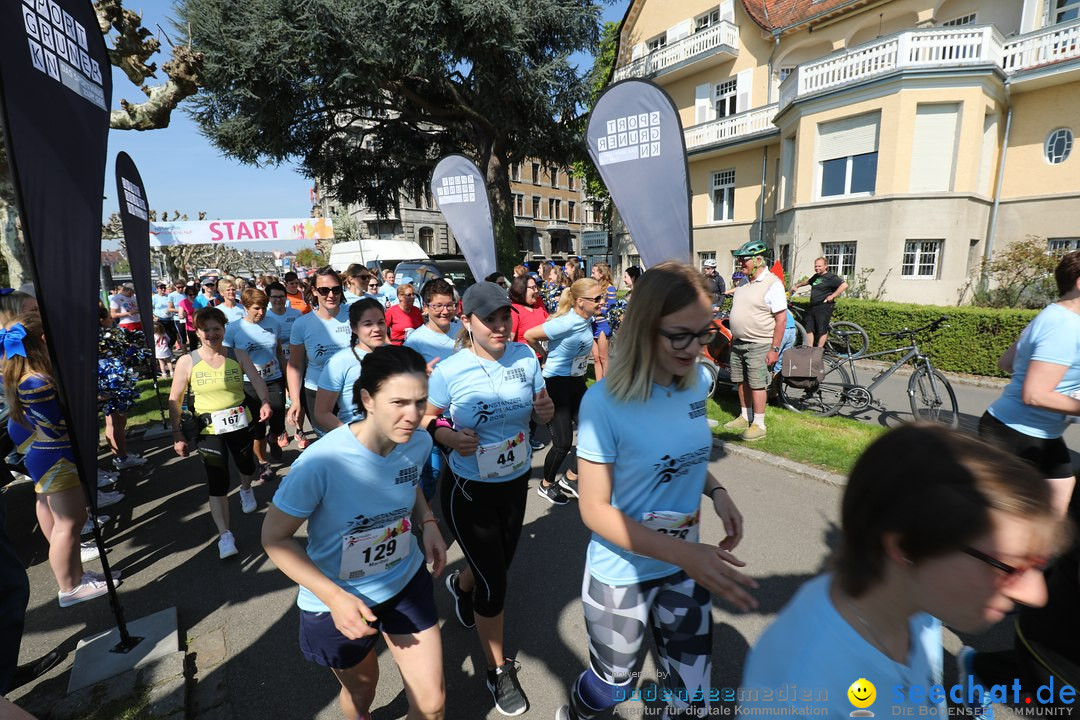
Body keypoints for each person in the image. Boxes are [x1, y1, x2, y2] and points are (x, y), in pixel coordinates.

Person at [741, 424, 1065, 718]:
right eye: (1009, 566)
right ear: (906, 547)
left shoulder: (915, 606)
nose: (1036, 595)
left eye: (1037, 565)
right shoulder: (801, 692)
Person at [555, 262, 755, 720]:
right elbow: (594, 509)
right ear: (645, 327)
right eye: (678, 335)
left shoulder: (695, 383)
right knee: (613, 687)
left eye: (703, 333)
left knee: (691, 697)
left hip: (683, 569)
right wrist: (685, 554)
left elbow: (682, 455)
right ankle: (576, 712)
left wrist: (717, 489)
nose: (695, 348)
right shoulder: (603, 404)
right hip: (621, 573)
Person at [262, 345, 447, 720]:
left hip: (403, 581)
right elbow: (274, 538)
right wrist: (334, 597)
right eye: (399, 402)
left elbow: (405, 477)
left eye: (420, 402)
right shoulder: (321, 462)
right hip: (338, 600)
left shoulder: (419, 441)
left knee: (432, 705)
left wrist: (427, 522)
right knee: (363, 691)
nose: (413, 416)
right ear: (367, 399)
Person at [423, 282, 554, 716]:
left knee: (491, 568)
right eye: (489, 319)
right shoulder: (450, 369)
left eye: (504, 317)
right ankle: (498, 670)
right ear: (467, 322)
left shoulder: (525, 357)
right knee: (496, 582)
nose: (500, 326)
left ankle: (460, 587)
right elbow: (425, 419)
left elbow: (540, 403)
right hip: (468, 491)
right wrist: (446, 435)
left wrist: (545, 412)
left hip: (514, 486)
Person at [1, 315, 112, 606]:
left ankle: (75, 576)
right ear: (43, 341)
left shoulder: (29, 377)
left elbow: (20, 429)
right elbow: (53, 425)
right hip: (55, 456)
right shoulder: (35, 381)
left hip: (49, 456)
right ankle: (70, 588)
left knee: (70, 522)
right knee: (70, 522)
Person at [979, 250, 1079, 519]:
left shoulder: (1051, 315)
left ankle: (1038, 558)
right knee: (1002, 517)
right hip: (1015, 433)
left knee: (1061, 489)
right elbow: (1034, 394)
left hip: (1033, 430)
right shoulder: (1065, 326)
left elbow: (1007, 362)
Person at [168, 307, 272, 559]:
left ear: (224, 329)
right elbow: (175, 398)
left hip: (239, 423)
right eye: (206, 329)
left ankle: (246, 488)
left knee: (246, 467)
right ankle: (225, 535)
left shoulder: (237, 355)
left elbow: (257, 380)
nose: (212, 334)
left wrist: (265, 401)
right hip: (208, 429)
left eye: (217, 328)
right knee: (218, 480)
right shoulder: (187, 361)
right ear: (197, 331)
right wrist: (177, 433)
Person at [523, 278, 601, 505]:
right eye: (596, 299)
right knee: (563, 443)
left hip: (576, 383)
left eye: (601, 297)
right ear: (580, 302)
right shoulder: (566, 323)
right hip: (556, 384)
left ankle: (571, 478)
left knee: (596, 430)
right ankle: (546, 485)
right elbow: (529, 335)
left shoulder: (588, 318)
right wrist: (544, 356)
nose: (601, 302)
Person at [723, 240, 786, 442]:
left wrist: (775, 349)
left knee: (757, 383)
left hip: (760, 343)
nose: (741, 264)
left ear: (758, 260)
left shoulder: (773, 284)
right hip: (739, 341)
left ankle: (759, 424)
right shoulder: (743, 281)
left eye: (744, 260)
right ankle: (745, 415)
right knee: (741, 380)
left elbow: (781, 319)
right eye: (740, 260)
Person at [404, 279, 461, 499]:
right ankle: (425, 519)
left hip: (462, 414)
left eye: (449, 305)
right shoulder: (415, 341)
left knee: (463, 468)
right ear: (426, 308)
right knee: (432, 473)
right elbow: (404, 383)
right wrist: (419, 376)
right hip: (431, 417)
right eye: (437, 306)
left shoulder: (463, 332)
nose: (444, 311)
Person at [224, 288, 288, 482]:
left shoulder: (273, 323)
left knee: (278, 422)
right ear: (245, 307)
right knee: (257, 427)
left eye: (264, 308)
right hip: (248, 383)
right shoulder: (234, 329)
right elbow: (228, 359)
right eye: (256, 308)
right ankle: (262, 462)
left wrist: (288, 378)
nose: (261, 312)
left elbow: (278, 352)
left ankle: (273, 437)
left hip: (273, 378)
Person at [287, 267, 352, 438]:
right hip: (316, 394)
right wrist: (295, 401)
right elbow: (295, 364)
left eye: (335, 289)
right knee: (330, 445)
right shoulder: (302, 324)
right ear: (314, 291)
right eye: (324, 290)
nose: (331, 295)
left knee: (355, 444)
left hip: (352, 392)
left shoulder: (354, 315)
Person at [314, 298, 388, 432]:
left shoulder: (397, 356)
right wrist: (351, 436)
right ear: (354, 328)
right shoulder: (339, 362)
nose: (376, 329)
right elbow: (322, 413)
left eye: (381, 322)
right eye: (368, 324)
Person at [265, 281, 304, 447]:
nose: (278, 300)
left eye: (281, 297)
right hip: (276, 364)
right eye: (274, 297)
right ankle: (281, 430)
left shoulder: (296, 314)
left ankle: (299, 429)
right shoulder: (266, 317)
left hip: (297, 361)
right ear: (269, 298)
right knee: (279, 402)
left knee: (299, 396)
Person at [790, 257, 848, 347]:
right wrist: (797, 286)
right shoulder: (816, 276)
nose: (817, 268)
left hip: (824, 307)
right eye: (816, 266)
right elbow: (808, 281)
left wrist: (833, 296)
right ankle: (810, 349)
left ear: (826, 266)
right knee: (809, 329)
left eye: (819, 266)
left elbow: (844, 285)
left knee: (822, 330)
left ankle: (819, 351)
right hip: (813, 306)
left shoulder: (831, 277)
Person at [588, 263, 618, 381]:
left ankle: (606, 385)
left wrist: (597, 309)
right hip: (593, 324)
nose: (591, 274)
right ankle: (598, 384)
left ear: (601, 274)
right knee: (595, 357)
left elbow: (612, 307)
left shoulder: (610, 288)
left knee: (603, 357)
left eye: (594, 272)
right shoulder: (594, 288)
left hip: (603, 324)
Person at [152, 282, 178, 350]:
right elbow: (150, 308)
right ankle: (166, 351)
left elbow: (172, 305)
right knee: (163, 336)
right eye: (161, 288)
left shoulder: (168, 296)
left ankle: (169, 348)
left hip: (170, 319)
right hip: (160, 320)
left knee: (173, 336)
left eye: (164, 288)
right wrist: (154, 316)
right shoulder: (154, 298)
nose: (163, 289)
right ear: (157, 289)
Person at [178, 283, 199, 351]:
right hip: (191, 327)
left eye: (194, 294)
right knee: (193, 345)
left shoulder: (200, 301)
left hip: (201, 326)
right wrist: (182, 315)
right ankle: (195, 360)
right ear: (186, 295)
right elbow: (180, 314)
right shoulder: (183, 302)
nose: (193, 296)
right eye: (190, 295)